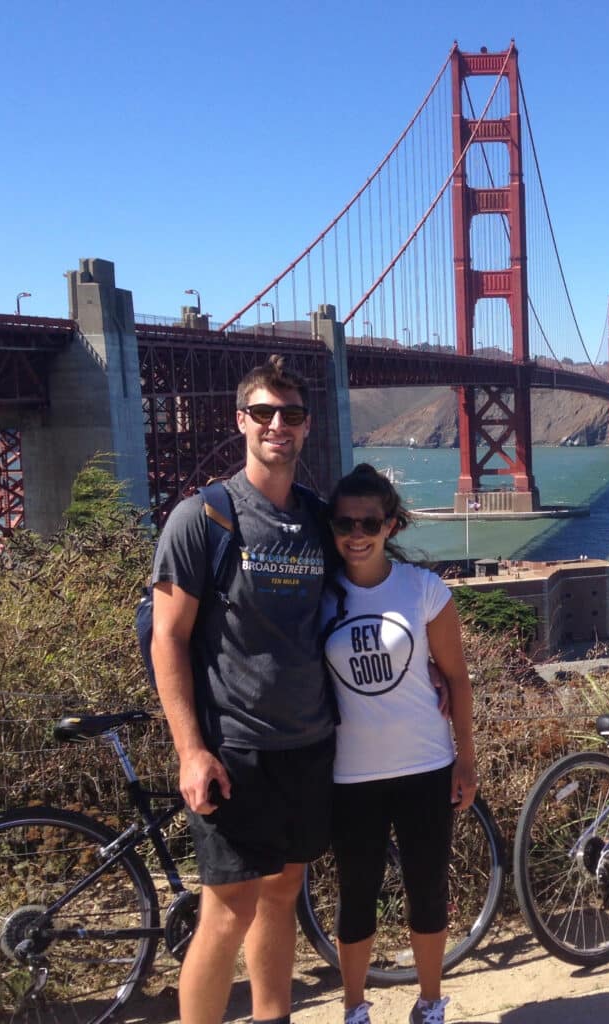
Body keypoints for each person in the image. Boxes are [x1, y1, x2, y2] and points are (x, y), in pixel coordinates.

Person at [150, 355, 336, 1024]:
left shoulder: (319, 518)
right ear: (241, 421)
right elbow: (167, 638)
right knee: (226, 909)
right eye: (262, 412)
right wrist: (190, 752)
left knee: (285, 891)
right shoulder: (203, 518)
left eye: (288, 413)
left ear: (307, 425)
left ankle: (272, 1019)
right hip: (236, 748)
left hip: (308, 741)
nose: (275, 424)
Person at [320, 463, 478, 1024]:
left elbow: (456, 676)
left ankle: (430, 1003)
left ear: (391, 525)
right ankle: (355, 1008)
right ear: (331, 527)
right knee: (356, 897)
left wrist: (466, 758)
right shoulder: (316, 596)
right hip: (349, 773)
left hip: (425, 764)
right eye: (344, 523)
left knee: (426, 889)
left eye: (370, 522)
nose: (356, 534)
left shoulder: (424, 590)